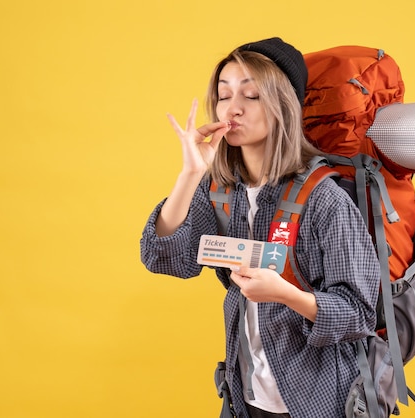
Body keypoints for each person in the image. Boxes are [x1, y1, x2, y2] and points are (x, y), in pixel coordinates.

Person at [140, 37, 381, 418]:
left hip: (318, 400)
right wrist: (190, 174)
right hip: (247, 396)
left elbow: (358, 314)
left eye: (250, 95)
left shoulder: (324, 199)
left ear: (281, 106)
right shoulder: (219, 189)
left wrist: (287, 295)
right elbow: (164, 258)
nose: (232, 108)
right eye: (223, 95)